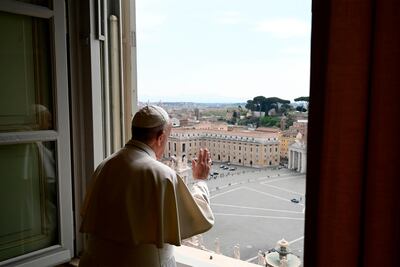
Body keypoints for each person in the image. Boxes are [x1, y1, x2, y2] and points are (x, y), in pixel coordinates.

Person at [79, 105, 214, 267]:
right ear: (161, 137)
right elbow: (198, 217)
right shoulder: (162, 175)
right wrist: (200, 180)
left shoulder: (104, 165)